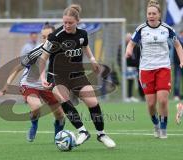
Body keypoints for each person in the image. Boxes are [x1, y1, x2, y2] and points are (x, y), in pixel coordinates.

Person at [39, 4, 116, 148]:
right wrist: (42, 78)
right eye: (65, 22)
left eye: (70, 23)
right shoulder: (55, 36)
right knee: (63, 98)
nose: (67, 25)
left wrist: (92, 59)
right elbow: (43, 58)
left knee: (92, 102)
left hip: (77, 74)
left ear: (77, 21)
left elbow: (85, 46)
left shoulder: (82, 34)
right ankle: (82, 131)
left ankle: (102, 134)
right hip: (57, 75)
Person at [125, 0, 183, 139]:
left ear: (159, 15)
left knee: (163, 100)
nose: (151, 16)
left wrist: (182, 60)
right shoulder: (141, 29)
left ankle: (163, 128)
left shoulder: (167, 29)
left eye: (153, 13)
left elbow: (178, 46)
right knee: (151, 104)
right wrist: (128, 51)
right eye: (149, 13)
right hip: (146, 69)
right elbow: (131, 44)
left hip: (163, 67)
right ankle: (156, 124)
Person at [0, 24, 65, 142]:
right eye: (43, 37)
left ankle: (58, 139)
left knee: (60, 116)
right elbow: (17, 68)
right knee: (36, 107)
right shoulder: (37, 51)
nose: (46, 40)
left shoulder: (60, 52)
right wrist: (6, 85)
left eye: (49, 36)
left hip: (47, 86)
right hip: (29, 84)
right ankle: (34, 125)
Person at [173, 31, 183, 101]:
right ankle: (176, 95)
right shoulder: (177, 41)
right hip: (178, 64)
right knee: (177, 80)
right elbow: (175, 54)